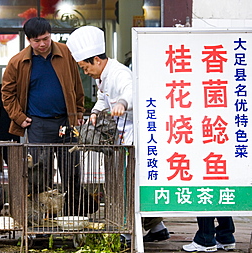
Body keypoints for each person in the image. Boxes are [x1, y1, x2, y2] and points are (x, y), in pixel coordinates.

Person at [66, 25, 169, 243]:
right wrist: (95, 111)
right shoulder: (102, 75)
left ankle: (126, 231)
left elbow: (130, 91)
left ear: (96, 59)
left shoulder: (119, 72)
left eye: (85, 67)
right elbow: (103, 97)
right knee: (127, 185)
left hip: (134, 137)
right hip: (120, 136)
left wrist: (122, 102)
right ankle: (157, 227)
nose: (85, 72)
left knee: (126, 187)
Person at [1, 17, 94, 216]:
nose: (42, 44)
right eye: (37, 41)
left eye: (46, 38)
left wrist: (78, 112)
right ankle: (42, 219)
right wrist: (19, 117)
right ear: (28, 40)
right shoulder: (18, 62)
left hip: (67, 121)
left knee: (71, 171)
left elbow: (77, 85)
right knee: (40, 175)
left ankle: (72, 216)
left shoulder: (66, 53)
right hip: (38, 124)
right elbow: (7, 94)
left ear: (50, 35)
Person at [0, 84, 20, 164]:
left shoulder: (21, 86)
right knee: (5, 143)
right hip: (8, 120)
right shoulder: (2, 87)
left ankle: (14, 164)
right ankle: (11, 164)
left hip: (16, 120)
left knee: (13, 144)